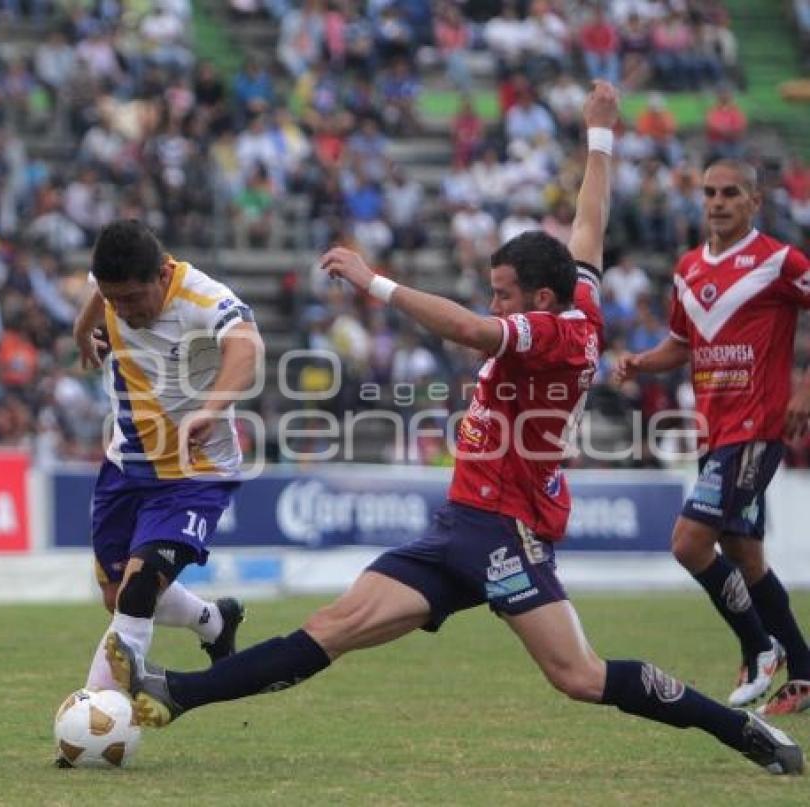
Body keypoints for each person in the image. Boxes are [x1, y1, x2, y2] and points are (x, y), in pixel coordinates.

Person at [106, 87, 803, 775]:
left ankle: (738, 726)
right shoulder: (577, 294)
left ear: (536, 298)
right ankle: (176, 693)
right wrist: (599, 138)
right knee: (332, 626)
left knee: (580, 675)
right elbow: (589, 224)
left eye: (502, 291)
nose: (492, 300)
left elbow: (472, 330)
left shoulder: (553, 332)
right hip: (460, 523)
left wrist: (373, 281)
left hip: (505, 529)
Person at [616, 159, 810, 715]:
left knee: (688, 543)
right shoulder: (688, 267)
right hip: (715, 430)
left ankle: (758, 646)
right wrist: (641, 363)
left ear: (754, 201)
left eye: (730, 193)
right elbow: (682, 343)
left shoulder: (779, 261)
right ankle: (804, 670)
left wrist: (803, 391)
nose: (718, 202)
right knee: (744, 554)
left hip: (755, 429)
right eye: (709, 193)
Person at [71, 219, 263, 699]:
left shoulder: (201, 297)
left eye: (133, 299)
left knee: (137, 592)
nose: (125, 311)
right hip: (126, 465)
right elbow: (100, 291)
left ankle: (98, 712)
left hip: (195, 473)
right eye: (116, 302)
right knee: (117, 596)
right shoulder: (116, 284)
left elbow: (248, 345)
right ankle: (214, 621)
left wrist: (211, 409)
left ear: (161, 275)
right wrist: (82, 330)